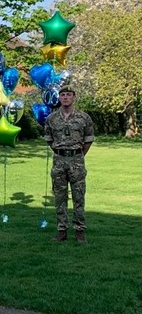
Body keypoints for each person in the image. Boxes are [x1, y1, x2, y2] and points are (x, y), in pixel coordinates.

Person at [44, 85, 94, 244]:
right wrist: (62, 153)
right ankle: (62, 230)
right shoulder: (52, 118)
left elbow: (88, 140)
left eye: (68, 95)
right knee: (59, 197)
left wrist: (76, 154)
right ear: (59, 98)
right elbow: (49, 140)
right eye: (63, 95)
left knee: (79, 196)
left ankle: (80, 230)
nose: (65, 97)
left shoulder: (83, 117)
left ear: (74, 97)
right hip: (59, 161)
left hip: (77, 160)